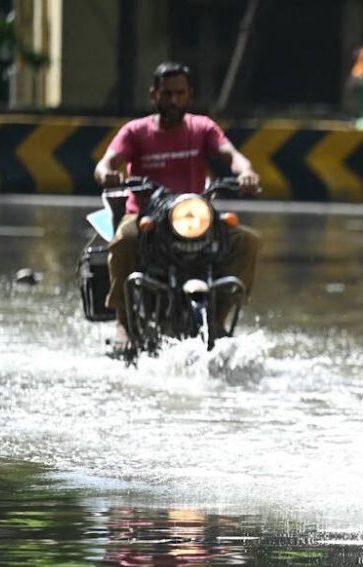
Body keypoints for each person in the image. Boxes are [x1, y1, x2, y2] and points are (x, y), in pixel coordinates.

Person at [93, 61, 262, 351]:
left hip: (193, 215)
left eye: (179, 93)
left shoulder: (202, 128)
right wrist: (107, 174)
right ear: (154, 95)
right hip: (148, 216)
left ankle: (219, 319)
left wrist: (246, 172)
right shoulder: (136, 131)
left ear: (189, 95)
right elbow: (105, 163)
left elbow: (231, 154)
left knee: (247, 240)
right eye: (166, 93)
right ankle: (123, 322)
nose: (173, 100)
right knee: (124, 239)